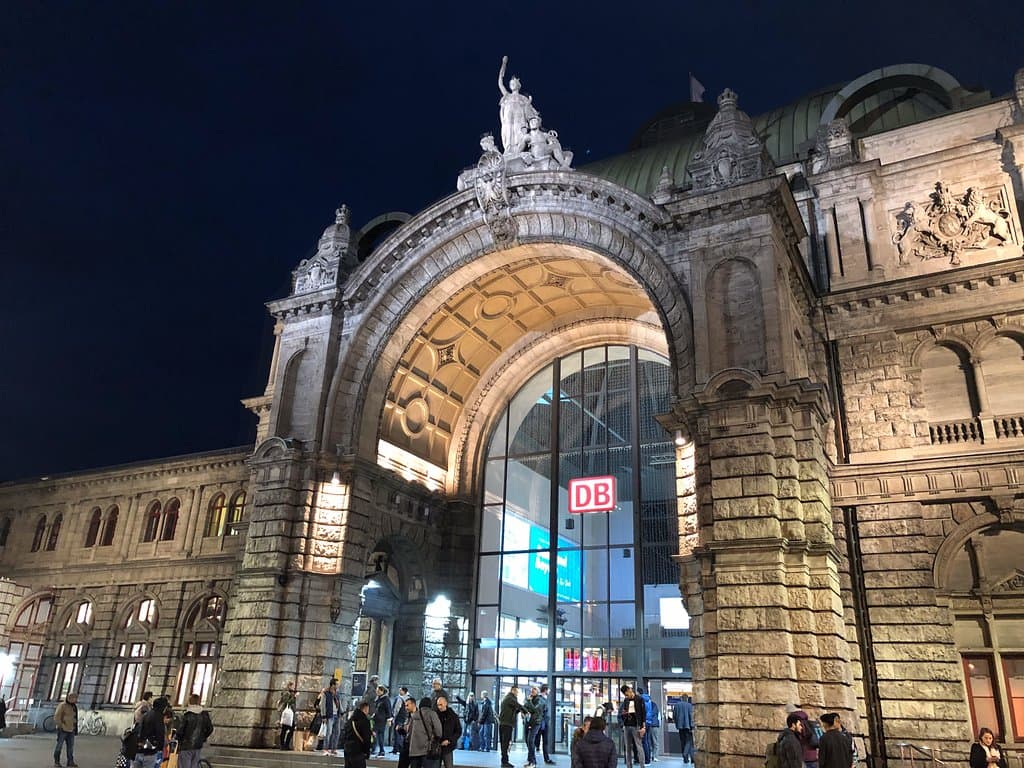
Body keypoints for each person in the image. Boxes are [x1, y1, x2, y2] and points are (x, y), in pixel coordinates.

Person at [497, 56, 539, 156]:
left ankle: (518, 152)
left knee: (519, 134)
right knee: (508, 134)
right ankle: (508, 152)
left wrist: (534, 113)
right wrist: (503, 64)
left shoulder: (523, 98)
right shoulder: (507, 96)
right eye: (511, 83)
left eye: (514, 83)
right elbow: (500, 82)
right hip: (508, 120)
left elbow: (532, 111)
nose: (512, 85)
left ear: (518, 85)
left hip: (519, 120)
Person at [177, 693, 214, 768]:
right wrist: (203, 738)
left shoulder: (187, 715)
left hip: (186, 745)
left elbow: (180, 731)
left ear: (190, 702)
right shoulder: (204, 715)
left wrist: (178, 739)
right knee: (194, 765)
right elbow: (210, 728)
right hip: (198, 745)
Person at [407, 696, 443, 768]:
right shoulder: (432, 714)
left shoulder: (414, 715)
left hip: (413, 750)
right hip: (426, 749)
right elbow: (438, 730)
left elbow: (409, 731)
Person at [135, 697, 169, 768]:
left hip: (140, 748)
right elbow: (160, 734)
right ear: (163, 707)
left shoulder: (146, 714)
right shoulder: (158, 717)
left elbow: (139, 729)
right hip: (151, 750)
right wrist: (160, 748)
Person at [498, 685, 528, 768]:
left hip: (505, 723)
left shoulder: (509, 698)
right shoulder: (510, 698)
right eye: (517, 692)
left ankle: (504, 761)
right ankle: (504, 762)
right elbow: (518, 705)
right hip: (506, 724)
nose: (518, 694)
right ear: (513, 691)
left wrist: (521, 710)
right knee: (505, 744)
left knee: (505, 743)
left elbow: (515, 710)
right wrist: (526, 711)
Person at [619, 684, 647, 768]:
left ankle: (642, 765)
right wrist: (624, 714)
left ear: (630, 690)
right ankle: (629, 765)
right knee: (628, 747)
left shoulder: (639, 699)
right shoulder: (626, 700)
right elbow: (623, 711)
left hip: (636, 725)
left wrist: (643, 726)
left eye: (627, 693)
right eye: (625, 695)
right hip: (627, 725)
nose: (627, 696)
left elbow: (643, 713)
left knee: (639, 746)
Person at [53, 692, 79, 768]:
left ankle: (70, 762)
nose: (76, 700)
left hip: (71, 729)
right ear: (70, 698)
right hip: (63, 730)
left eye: (76, 698)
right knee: (59, 746)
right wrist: (61, 726)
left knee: (70, 747)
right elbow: (57, 717)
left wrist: (75, 727)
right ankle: (56, 762)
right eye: (74, 698)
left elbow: (74, 717)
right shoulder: (62, 705)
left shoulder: (74, 706)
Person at [344, 700, 373, 768]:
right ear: (365, 709)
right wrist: (367, 752)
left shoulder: (351, 719)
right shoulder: (365, 721)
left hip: (348, 748)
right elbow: (366, 738)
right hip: (358, 750)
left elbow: (345, 732)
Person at [436, 695, 463, 768]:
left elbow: (458, 731)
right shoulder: (435, 715)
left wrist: (449, 740)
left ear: (446, 704)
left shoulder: (453, 716)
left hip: (448, 746)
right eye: (438, 705)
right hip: (436, 746)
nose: (439, 707)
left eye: (441, 705)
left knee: (448, 765)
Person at [319, 678, 341, 755]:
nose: (338, 685)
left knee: (337, 732)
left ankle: (334, 748)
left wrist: (340, 712)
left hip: (337, 715)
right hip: (329, 715)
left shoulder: (337, 693)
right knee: (328, 733)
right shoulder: (326, 693)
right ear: (333, 685)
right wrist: (323, 716)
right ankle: (325, 748)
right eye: (337, 684)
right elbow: (322, 705)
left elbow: (339, 703)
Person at [524, 686, 543, 768]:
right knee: (528, 741)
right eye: (531, 690)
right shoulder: (529, 699)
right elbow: (525, 708)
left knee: (531, 741)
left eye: (534, 690)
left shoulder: (539, 700)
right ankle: (529, 760)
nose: (532, 691)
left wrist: (529, 701)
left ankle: (533, 762)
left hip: (536, 723)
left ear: (537, 692)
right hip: (528, 722)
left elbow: (534, 710)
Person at [535, 684, 554, 764]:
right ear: (545, 690)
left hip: (545, 723)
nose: (549, 691)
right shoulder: (540, 699)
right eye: (548, 690)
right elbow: (539, 710)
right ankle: (532, 759)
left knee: (545, 741)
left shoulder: (544, 699)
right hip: (541, 723)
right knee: (536, 740)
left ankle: (546, 759)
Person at [672, 697, 694, 764]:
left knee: (683, 742)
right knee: (689, 742)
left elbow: (674, 716)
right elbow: (691, 716)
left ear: (681, 698)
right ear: (687, 699)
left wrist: (677, 723)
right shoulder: (689, 705)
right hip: (688, 727)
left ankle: (685, 759)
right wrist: (692, 726)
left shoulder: (676, 705)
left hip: (680, 727)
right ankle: (687, 755)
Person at [373, 685, 393, 756]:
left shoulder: (385, 699)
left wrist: (389, 720)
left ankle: (381, 750)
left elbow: (388, 710)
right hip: (377, 719)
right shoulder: (379, 698)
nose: (377, 692)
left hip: (381, 719)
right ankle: (378, 749)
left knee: (379, 734)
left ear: (382, 691)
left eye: (378, 690)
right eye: (377, 690)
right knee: (377, 734)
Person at [393, 687, 411, 755]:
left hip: (399, 717)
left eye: (400, 690)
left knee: (397, 733)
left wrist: (394, 717)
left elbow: (397, 709)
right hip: (406, 717)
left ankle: (397, 748)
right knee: (404, 733)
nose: (399, 691)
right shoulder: (409, 698)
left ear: (403, 691)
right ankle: (401, 748)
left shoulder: (400, 699)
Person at [637, 687, 653, 764]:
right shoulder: (648, 700)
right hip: (649, 721)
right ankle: (648, 758)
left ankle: (646, 760)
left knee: (643, 742)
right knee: (647, 741)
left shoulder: (641, 700)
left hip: (643, 722)